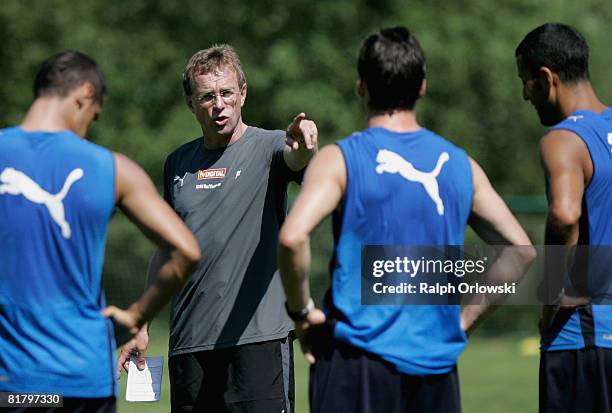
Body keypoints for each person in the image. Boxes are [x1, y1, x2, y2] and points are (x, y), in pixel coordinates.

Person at [278, 26, 535, 413]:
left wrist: (302, 313)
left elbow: (292, 238)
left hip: (356, 362)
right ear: (422, 87)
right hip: (436, 371)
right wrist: (462, 322)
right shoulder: (461, 166)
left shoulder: (341, 159)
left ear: (361, 86)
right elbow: (521, 251)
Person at [118, 44, 318, 412]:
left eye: (226, 93)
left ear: (242, 94)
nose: (218, 104)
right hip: (190, 344)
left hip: (257, 340)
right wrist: (141, 323)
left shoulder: (271, 146)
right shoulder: (178, 163)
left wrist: (304, 146)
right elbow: (166, 247)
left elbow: (296, 158)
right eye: (207, 96)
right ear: (190, 103)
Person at [0, 51, 201, 411]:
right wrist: (136, 316)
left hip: (10, 382)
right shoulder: (112, 168)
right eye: (93, 116)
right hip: (83, 379)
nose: (87, 129)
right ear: (84, 94)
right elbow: (186, 250)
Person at [515, 23, 612, 413]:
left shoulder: (564, 140)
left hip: (583, 340)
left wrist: (550, 300)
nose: (525, 95)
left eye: (526, 83)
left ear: (546, 78)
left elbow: (564, 214)